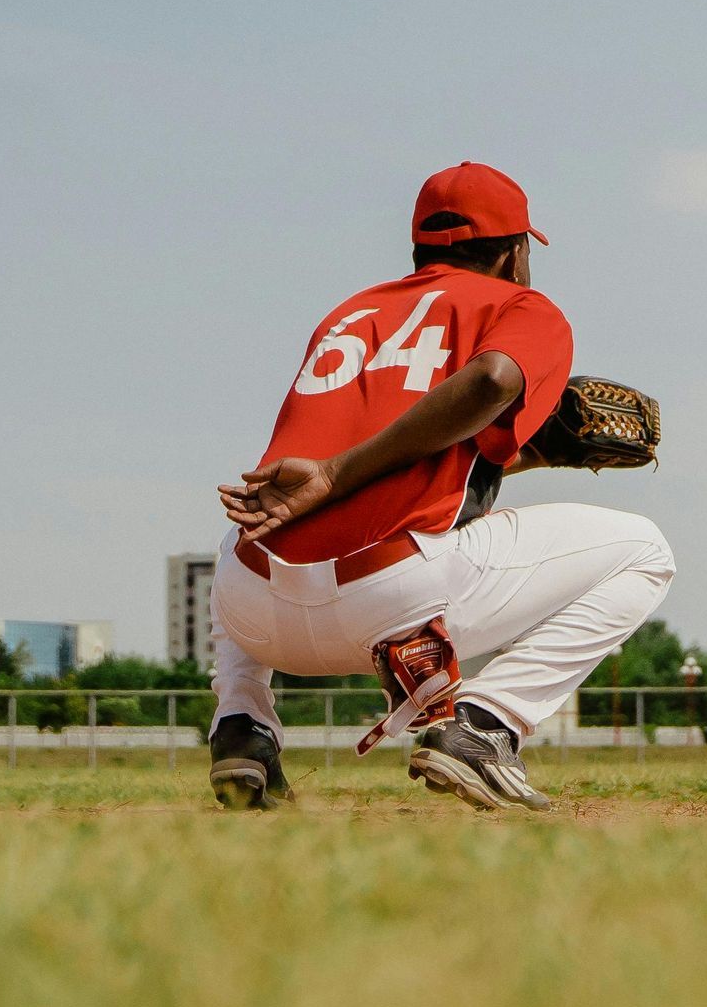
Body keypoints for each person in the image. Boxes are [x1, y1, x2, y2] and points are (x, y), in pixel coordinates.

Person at [206, 162, 674, 811]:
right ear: (514, 252)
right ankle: (484, 728)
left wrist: (525, 455)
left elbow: (370, 469)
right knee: (645, 551)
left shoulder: (350, 314)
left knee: (249, 526)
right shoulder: (523, 307)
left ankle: (242, 725)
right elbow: (490, 381)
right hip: (389, 604)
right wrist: (340, 473)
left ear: (420, 247)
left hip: (254, 612)